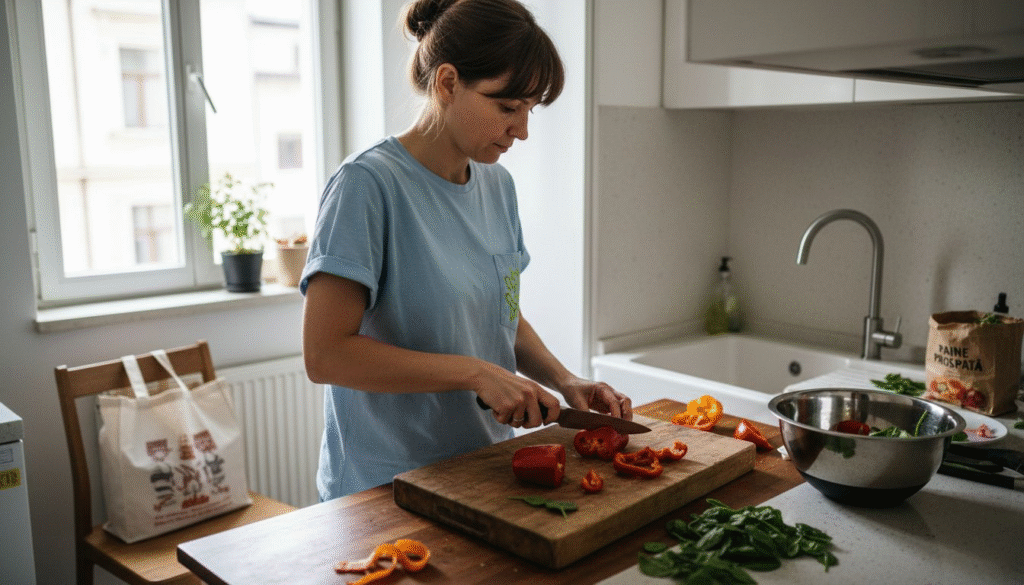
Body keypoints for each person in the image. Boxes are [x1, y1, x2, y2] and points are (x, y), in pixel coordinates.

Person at [300, 0, 633, 500]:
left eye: (529, 110)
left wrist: (565, 380)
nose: (522, 130)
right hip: (384, 487)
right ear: (448, 83)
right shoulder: (365, 186)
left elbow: (500, 314)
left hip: (481, 471)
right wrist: (476, 373)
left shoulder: (498, 187)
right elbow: (325, 355)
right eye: (508, 107)